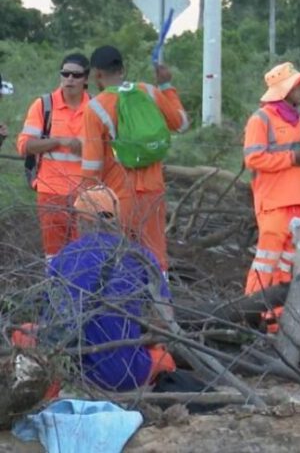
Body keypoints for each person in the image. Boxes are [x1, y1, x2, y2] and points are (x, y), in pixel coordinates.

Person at [18, 186, 176, 392]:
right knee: (164, 357)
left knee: (24, 333)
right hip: (128, 375)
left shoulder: (63, 258)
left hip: (73, 372)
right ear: (117, 219)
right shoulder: (142, 257)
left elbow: (51, 318)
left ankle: (53, 388)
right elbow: (165, 323)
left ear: (81, 220)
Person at [81, 45, 189, 277]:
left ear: (97, 74)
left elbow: (91, 165)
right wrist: (167, 86)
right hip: (153, 190)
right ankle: (161, 308)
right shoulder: (149, 91)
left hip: (116, 196)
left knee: (119, 256)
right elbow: (181, 123)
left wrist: (89, 202)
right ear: (123, 69)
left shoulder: (96, 107)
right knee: (156, 253)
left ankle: (126, 308)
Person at [243, 62, 300, 333]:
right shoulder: (260, 119)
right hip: (274, 203)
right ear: (284, 90)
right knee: (266, 262)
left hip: (298, 202)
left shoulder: (298, 119)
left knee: (287, 266)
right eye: (298, 86)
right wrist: (292, 157)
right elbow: (253, 158)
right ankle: (249, 317)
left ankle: (276, 323)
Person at [16, 54, 92, 260]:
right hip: (50, 192)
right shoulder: (43, 105)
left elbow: (111, 150)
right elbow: (24, 146)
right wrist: (58, 141)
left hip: (88, 194)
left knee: (84, 253)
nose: (69, 79)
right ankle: (55, 291)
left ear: (86, 79)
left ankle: (80, 292)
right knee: (54, 255)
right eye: (65, 74)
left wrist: (85, 149)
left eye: (76, 75)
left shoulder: (96, 107)